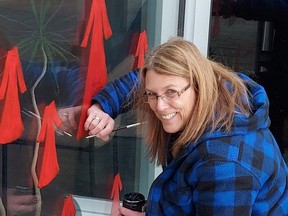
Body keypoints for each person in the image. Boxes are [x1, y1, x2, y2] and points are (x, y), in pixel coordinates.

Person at [84, 37, 288, 215]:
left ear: (199, 85)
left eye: (171, 92)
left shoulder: (223, 165)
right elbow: (141, 82)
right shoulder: (216, 92)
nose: (160, 106)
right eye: (152, 95)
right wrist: (102, 107)